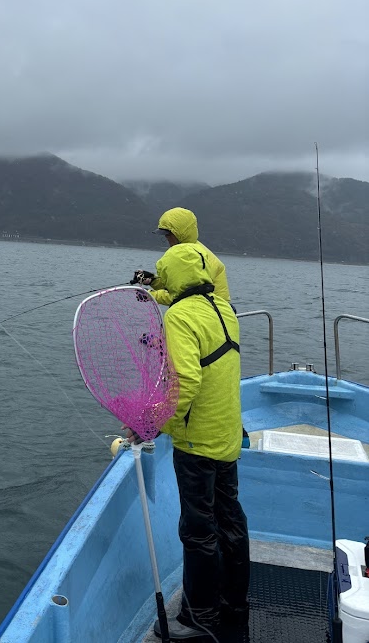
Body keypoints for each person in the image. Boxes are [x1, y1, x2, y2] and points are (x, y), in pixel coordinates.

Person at [127, 243, 249, 640]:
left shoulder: (179, 316)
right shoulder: (224, 308)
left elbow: (187, 383)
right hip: (228, 435)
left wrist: (154, 424)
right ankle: (234, 601)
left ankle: (200, 618)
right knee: (230, 519)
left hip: (197, 443)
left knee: (198, 530)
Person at [132, 207, 231, 308]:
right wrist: (153, 281)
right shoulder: (194, 251)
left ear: (180, 233)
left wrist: (151, 295)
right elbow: (180, 285)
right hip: (214, 312)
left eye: (168, 234)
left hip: (209, 312)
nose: (167, 238)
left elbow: (183, 295)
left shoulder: (191, 257)